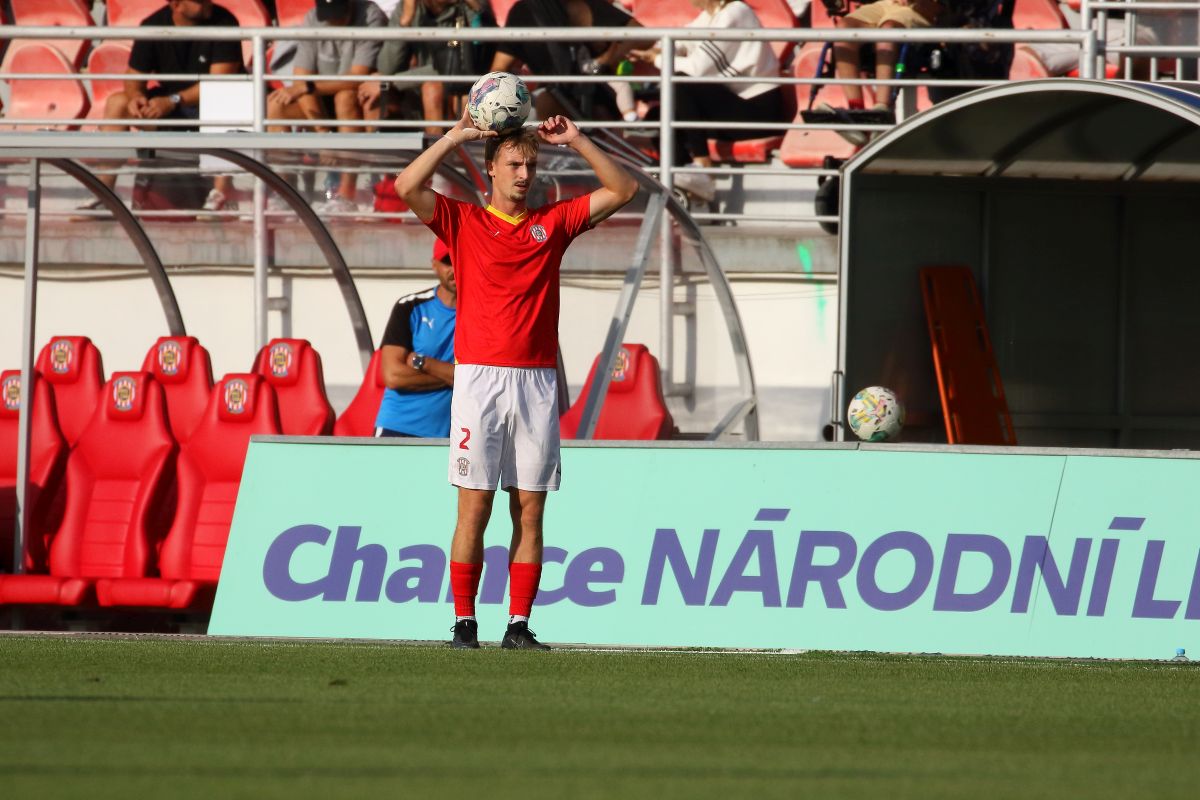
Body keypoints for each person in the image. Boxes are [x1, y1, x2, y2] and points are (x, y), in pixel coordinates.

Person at [393, 108, 638, 650]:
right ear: (491, 169)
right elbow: (405, 185)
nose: (525, 174)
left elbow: (623, 190)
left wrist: (578, 140)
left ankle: (519, 624)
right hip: (478, 381)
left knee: (530, 508)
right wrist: (454, 136)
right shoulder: (462, 221)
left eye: (530, 164)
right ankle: (464, 624)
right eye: (514, 164)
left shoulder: (553, 223)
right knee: (474, 506)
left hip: (535, 382)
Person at [77, 0, 243, 215]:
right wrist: (136, 96)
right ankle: (104, 193)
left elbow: (220, 83)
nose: (206, 2)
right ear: (176, 5)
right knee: (118, 103)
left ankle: (221, 194)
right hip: (171, 106)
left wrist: (172, 100)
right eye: (198, 0)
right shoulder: (153, 25)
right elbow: (134, 76)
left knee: (229, 101)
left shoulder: (224, 22)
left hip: (207, 105)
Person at [630, 0, 785, 203]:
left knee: (681, 81)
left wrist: (656, 59)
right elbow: (682, 39)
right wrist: (655, 50)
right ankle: (680, 183)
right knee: (657, 116)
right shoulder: (713, 14)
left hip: (759, 113)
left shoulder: (735, 12)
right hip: (734, 107)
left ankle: (703, 166)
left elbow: (697, 68)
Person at [266, 0, 386, 215]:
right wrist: (323, 136)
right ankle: (286, 191)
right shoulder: (313, 17)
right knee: (276, 104)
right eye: (328, 14)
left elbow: (358, 77)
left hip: (357, 98)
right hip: (321, 98)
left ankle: (346, 195)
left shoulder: (371, 16)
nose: (333, 20)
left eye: (338, 13)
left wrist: (309, 87)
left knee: (344, 98)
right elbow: (301, 78)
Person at [490, 0, 646, 121]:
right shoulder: (523, 12)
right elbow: (499, 68)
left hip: (587, 98)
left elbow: (641, 34)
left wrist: (606, 59)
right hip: (566, 99)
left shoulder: (580, 5)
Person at [369, 0, 496, 135]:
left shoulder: (468, 6)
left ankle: (438, 146)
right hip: (413, 93)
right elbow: (387, 68)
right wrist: (405, 23)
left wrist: (393, 81)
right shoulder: (408, 7)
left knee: (432, 88)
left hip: (463, 87)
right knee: (369, 93)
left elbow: (461, 67)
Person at [374, 237, 457, 438]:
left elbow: (480, 380)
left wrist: (424, 363)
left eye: (460, 260)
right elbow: (393, 377)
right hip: (397, 427)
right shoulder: (409, 307)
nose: (454, 268)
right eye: (447, 261)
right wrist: (453, 377)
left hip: (451, 435)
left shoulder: (485, 313)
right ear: (434, 265)